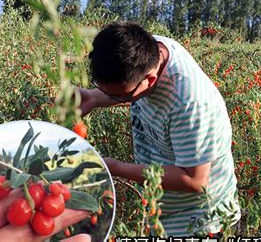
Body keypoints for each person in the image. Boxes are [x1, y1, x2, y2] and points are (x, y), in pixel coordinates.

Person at [77, 22, 241, 236]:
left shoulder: (190, 103)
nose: (116, 100)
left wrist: (113, 167)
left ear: (150, 80)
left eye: (121, 97)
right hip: (164, 215)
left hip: (201, 224)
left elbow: (194, 180)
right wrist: (93, 97)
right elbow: (126, 88)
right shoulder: (146, 50)